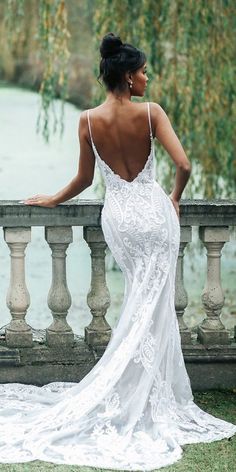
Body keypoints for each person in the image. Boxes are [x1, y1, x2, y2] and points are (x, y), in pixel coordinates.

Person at [0, 32, 235, 471]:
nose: (147, 77)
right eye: (144, 71)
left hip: (121, 219)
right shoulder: (151, 113)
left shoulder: (88, 119)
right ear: (128, 77)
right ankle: (143, 390)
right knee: (154, 305)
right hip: (152, 212)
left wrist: (53, 199)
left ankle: (135, 385)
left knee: (141, 302)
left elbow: (86, 180)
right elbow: (183, 165)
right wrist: (175, 198)